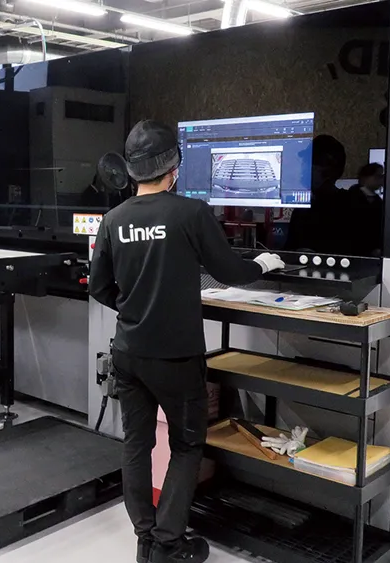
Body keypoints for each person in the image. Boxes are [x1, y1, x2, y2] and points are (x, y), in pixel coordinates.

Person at [88, 120, 285, 563]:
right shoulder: (190, 213)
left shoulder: (114, 220)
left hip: (128, 352)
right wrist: (263, 264)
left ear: (132, 171)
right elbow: (229, 271)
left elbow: (99, 287)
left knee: (136, 443)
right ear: (173, 169)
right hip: (176, 356)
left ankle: (145, 540)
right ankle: (169, 545)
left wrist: (136, 307)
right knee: (187, 444)